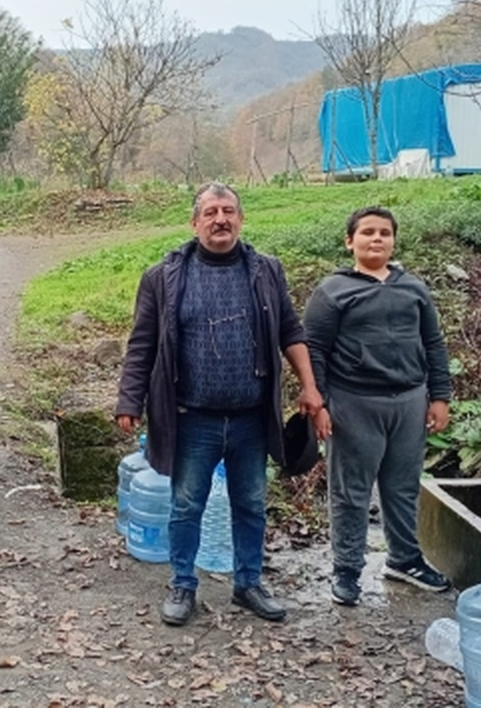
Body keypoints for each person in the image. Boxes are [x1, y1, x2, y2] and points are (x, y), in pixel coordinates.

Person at [115, 181, 323, 626]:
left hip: (251, 417)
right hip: (192, 419)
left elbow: (291, 330)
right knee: (187, 504)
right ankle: (183, 584)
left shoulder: (266, 270)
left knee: (250, 502)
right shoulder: (163, 277)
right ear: (194, 224)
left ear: (241, 219)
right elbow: (142, 345)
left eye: (228, 211)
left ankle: (248, 583)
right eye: (210, 213)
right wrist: (128, 400)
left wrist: (310, 387)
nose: (220, 220)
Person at [303, 206, 452, 607]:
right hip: (353, 403)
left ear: (394, 241)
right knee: (351, 492)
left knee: (402, 487)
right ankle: (347, 570)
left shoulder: (413, 288)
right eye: (367, 232)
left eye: (384, 233)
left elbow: (434, 343)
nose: (377, 239)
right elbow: (314, 348)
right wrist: (319, 403)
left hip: (408, 401)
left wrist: (439, 396)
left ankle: (403, 559)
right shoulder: (333, 290)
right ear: (350, 241)